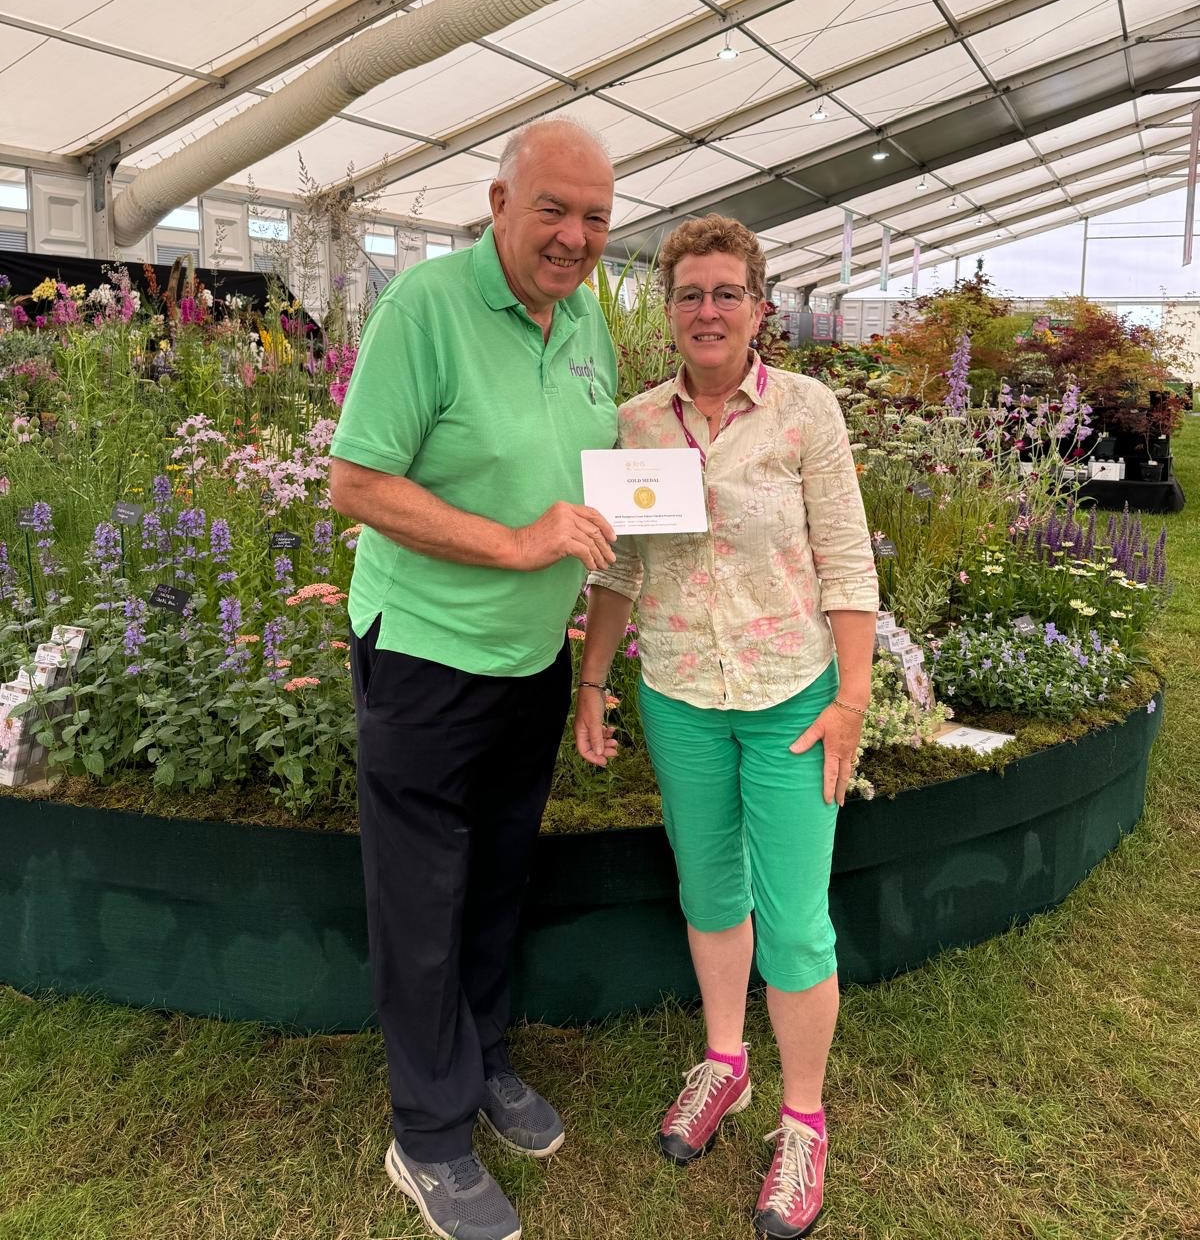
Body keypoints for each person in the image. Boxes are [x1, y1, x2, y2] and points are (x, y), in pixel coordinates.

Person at [329, 119, 618, 1240]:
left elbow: (587, 458)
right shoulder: (426, 310)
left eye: (595, 217)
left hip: (528, 661)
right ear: (498, 201)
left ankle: (484, 1055)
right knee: (421, 895)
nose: (575, 237)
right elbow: (356, 484)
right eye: (553, 209)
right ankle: (429, 1131)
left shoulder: (585, 314)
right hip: (427, 656)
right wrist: (514, 545)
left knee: (498, 874)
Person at [576, 215, 878, 1240]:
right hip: (682, 697)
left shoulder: (805, 412)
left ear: (759, 306)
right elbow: (619, 569)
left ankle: (804, 1120)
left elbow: (847, 558)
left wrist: (850, 697)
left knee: (793, 916)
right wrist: (591, 682)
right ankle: (726, 1065)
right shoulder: (636, 422)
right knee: (707, 888)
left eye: (725, 292)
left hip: (793, 699)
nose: (707, 311)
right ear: (669, 310)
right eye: (689, 294)